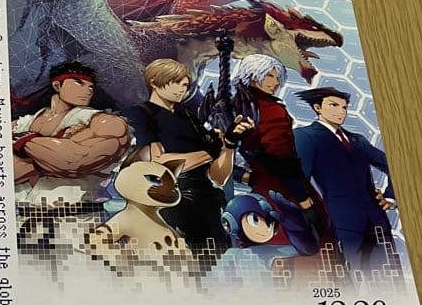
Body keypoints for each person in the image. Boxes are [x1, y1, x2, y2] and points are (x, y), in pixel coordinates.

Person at [121, 59, 252, 265]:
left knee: (218, 266)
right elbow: (159, 163)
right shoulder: (141, 113)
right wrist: (210, 151)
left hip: (208, 205)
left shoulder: (189, 115)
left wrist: (229, 144)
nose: (182, 88)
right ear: (154, 81)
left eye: (185, 84)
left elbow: (218, 176)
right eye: (176, 82)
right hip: (170, 203)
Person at [230, 54, 333, 252]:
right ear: (254, 76)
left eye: (277, 77)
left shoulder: (237, 106)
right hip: (286, 191)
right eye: (270, 76)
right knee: (316, 243)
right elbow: (281, 156)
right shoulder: (272, 110)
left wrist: (246, 176)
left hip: (260, 190)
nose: (276, 82)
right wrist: (303, 199)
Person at [293, 87, 396, 275]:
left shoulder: (357, 140)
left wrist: (390, 197)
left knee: (391, 278)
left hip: (377, 221)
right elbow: (299, 179)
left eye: (344, 107)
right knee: (352, 279)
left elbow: (391, 165)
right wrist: (312, 219)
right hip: (341, 223)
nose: (341, 111)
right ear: (317, 108)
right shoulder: (305, 136)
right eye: (333, 105)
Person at [11, 61, 130, 203]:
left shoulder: (104, 121)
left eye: (91, 87)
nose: (88, 90)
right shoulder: (22, 123)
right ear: (57, 85)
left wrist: (24, 141)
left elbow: (75, 161)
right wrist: (52, 150)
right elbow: (1, 173)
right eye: (79, 83)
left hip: (78, 213)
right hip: (22, 212)